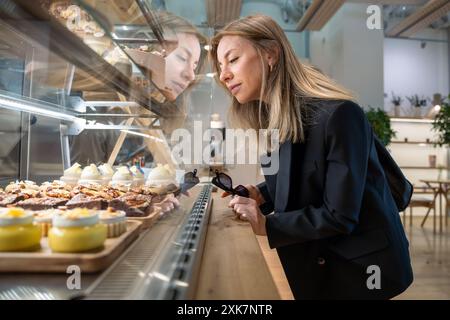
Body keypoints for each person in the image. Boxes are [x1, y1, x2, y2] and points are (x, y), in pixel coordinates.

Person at [210, 15, 413, 300]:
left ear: (270, 54)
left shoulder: (339, 115)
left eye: (232, 60)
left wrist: (267, 224)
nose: (223, 75)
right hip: (316, 262)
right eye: (220, 66)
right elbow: (300, 174)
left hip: (359, 271)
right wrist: (261, 193)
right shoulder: (273, 120)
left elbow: (340, 215)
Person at [70, 11, 206, 165]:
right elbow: (85, 182)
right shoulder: (98, 113)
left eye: (195, 65)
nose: (191, 75)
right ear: (146, 54)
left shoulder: (173, 111)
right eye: (182, 58)